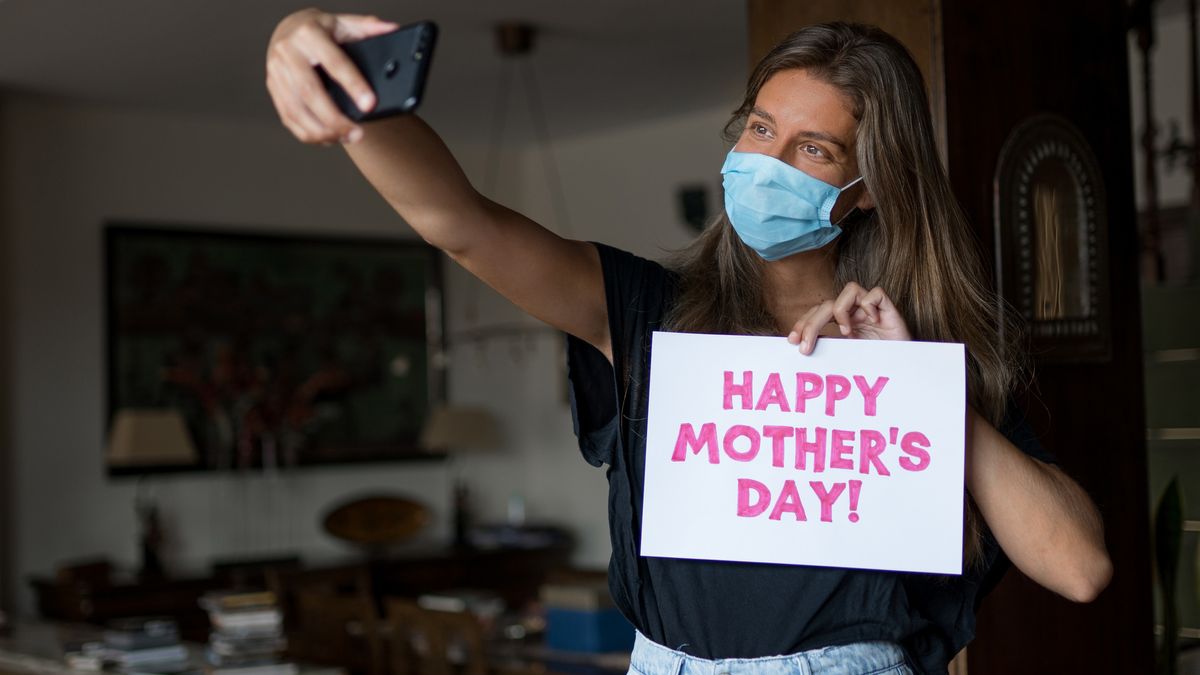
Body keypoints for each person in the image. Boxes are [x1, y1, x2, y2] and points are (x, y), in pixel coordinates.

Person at [265, 10, 1112, 674]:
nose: (767, 160)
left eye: (811, 149)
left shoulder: (917, 357)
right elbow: (458, 223)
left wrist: (916, 393)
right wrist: (343, 90)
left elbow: (1080, 568)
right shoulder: (644, 310)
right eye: (759, 128)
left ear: (868, 190)